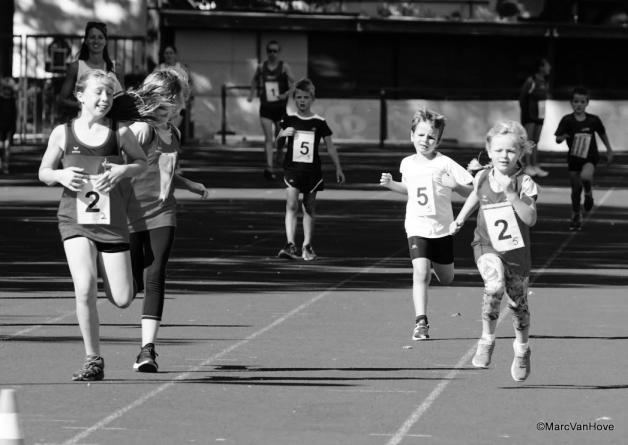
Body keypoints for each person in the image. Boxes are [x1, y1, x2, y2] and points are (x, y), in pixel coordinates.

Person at [38, 70, 147, 381]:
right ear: (80, 95)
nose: (104, 99)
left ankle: (118, 268)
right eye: (99, 92)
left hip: (111, 224)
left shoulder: (119, 132)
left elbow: (141, 164)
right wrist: (59, 175)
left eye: (110, 94)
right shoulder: (63, 133)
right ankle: (93, 358)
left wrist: (122, 170)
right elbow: (44, 171)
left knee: (123, 298)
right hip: (74, 219)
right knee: (84, 286)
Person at [125, 68, 209, 372]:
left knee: (156, 274)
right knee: (128, 288)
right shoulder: (141, 130)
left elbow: (164, 172)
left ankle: (147, 350)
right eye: (178, 99)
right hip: (132, 214)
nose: (181, 105)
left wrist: (189, 184)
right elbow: (119, 167)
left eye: (181, 99)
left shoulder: (173, 134)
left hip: (163, 212)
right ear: (161, 99)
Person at [450, 120, 538, 382]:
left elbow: (531, 219)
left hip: (516, 253)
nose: (504, 156)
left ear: (520, 153)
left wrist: (512, 197)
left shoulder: (525, 183)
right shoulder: (482, 177)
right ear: (489, 151)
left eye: (510, 151)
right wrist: (461, 218)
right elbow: (476, 195)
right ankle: (487, 339)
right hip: (486, 245)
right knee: (493, 285)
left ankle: (521, 349)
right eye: (498, 150)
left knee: (517, 304)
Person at [380, 108, 473, 340]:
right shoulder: (407, 163)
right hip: (416, 227)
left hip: (442, 229)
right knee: (420, 273)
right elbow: (410, 190)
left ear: (438, 140)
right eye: (420, 135)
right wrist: (392, 184)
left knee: (447, 278)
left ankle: (437, 263)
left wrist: (456, 185)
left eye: (431, 137)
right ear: (412, 135)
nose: (425, 140)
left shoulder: (446, 163)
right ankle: (421, 322)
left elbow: (471, 192)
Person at [275, 78, 344, 261]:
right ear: (294, 99)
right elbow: (278, 143)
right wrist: (282, 134)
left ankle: (307, 245)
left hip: (312, 171)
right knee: (291, 205)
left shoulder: (319, 122)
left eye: (306, 97)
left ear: (312, 99)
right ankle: (290, 244)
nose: (302, 101)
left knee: (309, 207)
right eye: (298, 97)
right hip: (292, 169)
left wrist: (338, 168)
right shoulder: (288, 119)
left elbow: (330, 146)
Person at [555, 87, 613, 231]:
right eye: (576, 101)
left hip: (590, 157)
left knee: (586, 176)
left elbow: (602, 134)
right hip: (574, 158)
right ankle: (576, 214)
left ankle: (588, 193)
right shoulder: (567, 120)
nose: (579, 105)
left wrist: (609, 149)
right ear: (571, 103)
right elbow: (558, 138)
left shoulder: (593, 120)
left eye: (582, 102)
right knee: (575, 190)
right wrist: (562, 138)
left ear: (587, 103)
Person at [247, 40, 295, 180]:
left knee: (279, 137)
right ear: (267, 52)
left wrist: (285, 94)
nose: (272, 53)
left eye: (275, 51)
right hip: (266, 108)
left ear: (278, 52)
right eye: (270, 51)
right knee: (268, 138)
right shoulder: (262, 67)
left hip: (280, 108)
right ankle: (269, 167)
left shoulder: (284, 67)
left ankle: (280, 152)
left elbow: (294, 85)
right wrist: (251, 94)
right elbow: (255, 80)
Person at [58, 22, 124, 121]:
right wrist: (86, 105)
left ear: (105, 41)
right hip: (85, 123)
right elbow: (62, 99)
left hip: (112, 122)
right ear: (86, 41)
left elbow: (123, 98)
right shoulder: (75, 67)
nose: (96, 41)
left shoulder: (116, 68)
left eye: (100, 37)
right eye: (92, 37)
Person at [519, 58, 550, 178]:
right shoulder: (531, 81)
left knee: (536, 142)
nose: (549, 68)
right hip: (530, 116)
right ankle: (527, 165)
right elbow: (522, 98)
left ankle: (535, 165)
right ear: (541, 67)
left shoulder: (544, 81)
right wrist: (527, 114)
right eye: (547, 66)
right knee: (529, 142)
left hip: (540, 115)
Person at [156, 45, 192, 138]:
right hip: (163, 105)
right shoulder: (159, 68)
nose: (168, 55)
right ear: (163, 55)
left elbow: (189, 84)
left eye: (171, 53)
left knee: (174, 131)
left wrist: (187, 98)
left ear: (175, 55)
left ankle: (173, 150)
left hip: (178, 106)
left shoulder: (182, 68)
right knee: (163, 131)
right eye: (166, 53)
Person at [0, 76, 18, 174]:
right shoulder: (1, 100)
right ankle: (1, 163)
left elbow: (14, 115)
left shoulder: (12, 101)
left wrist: (14, 127)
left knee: (6, 146)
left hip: (9, 126)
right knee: (1, 146)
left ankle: (6, 165)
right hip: (1, 127)